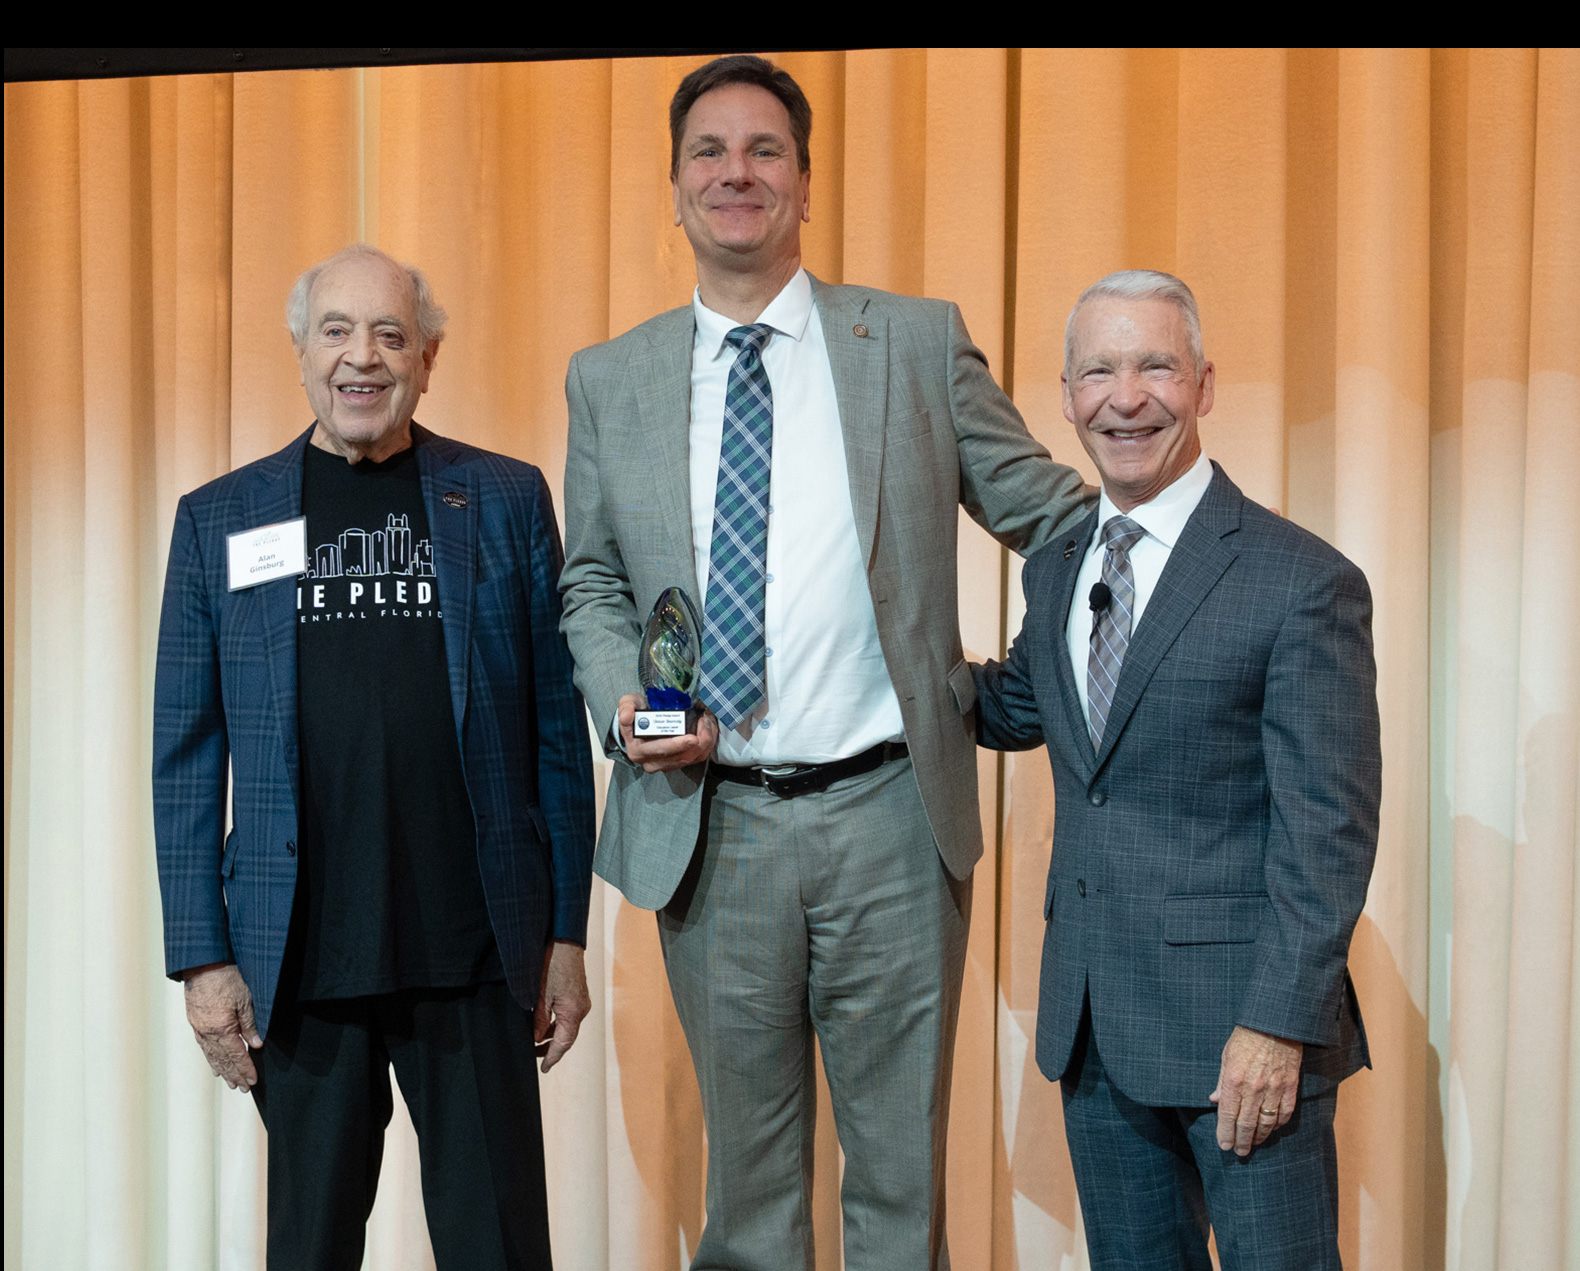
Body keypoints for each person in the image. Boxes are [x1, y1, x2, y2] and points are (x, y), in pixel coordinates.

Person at [558, 54, 1088, 1269]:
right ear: (675, 183)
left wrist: (1025, 688)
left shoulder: (910, 341)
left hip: (891, 819)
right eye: (709, 152)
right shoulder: (611, 376)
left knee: (898, 1186)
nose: (734, 173)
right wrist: (625, 703)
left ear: (804, 181)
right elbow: (588, 579)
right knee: (747, 1198)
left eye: (762, 152)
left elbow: (1052, 520)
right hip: (710, 822)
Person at [152, 244, 595, 1270]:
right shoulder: (218, 517)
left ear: (427, 358)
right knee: (308, 1249)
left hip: (478, 949)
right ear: (301, 351)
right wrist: (202, 955)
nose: (363, 357)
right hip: (298, 957)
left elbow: (551, 735)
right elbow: (185, 753)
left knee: (498, 1247)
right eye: (338, 332)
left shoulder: (505, 497)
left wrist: (565, 931)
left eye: (390, 334)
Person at [974, 269, 1380, 1270]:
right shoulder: (1059, 561)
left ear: (1201, 385)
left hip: (1239, 1042)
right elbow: (1011, 707)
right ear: (1065, 394)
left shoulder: (1300, 581)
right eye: (1098, 370)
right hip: (1094, 1035)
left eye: (1155, 365)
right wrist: (858, 655)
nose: (1126, 396)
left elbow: (1327, 828)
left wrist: (1275, 1026)